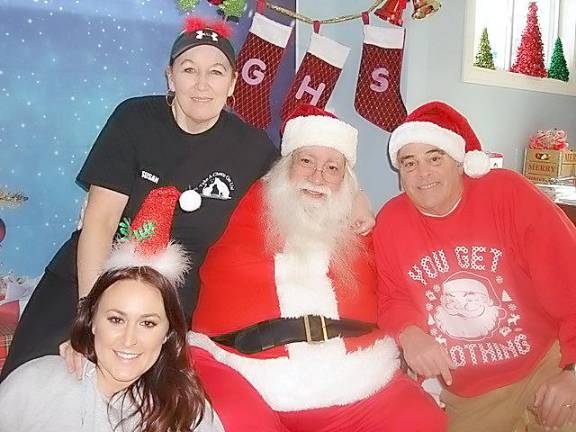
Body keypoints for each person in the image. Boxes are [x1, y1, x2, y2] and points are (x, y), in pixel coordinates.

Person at [1, 16, 374, 382]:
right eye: (189, 69)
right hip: (91, 275)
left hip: (169, 300)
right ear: (170, 76)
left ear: (232, 84)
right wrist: (90, 315)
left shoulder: (250, 147)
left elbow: (302, 174)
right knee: (29, 384)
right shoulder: (135, 119)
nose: (201, 85)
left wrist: (356, 195)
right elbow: (100, 221)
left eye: (216, 72)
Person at [187, 104, 447, 431]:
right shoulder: (240, 202)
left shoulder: (362, 226)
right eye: (306, 161)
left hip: (355, 378)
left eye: (332, 168)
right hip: (243, 370)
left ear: (346, 179)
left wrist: (413, 337)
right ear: (284, 165)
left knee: (421, 419)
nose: (317, 176)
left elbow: (398, 292)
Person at [374, 101, 576, 431]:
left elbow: (570, 276)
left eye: (434, 158)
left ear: (460, 162)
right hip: (470, 392)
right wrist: (410, 334)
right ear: (400, 175)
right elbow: (391, 297)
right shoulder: (391, 223)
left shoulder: (508, 193)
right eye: (410, 163)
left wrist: (572, 372)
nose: (422, 173)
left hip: (545, 366)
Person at [0, 265, 221, 431]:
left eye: (148, 323)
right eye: (116, 319)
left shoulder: (189, 411)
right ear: (92, 322)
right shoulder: (36, 382)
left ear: (167, 334)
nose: (129, 339)